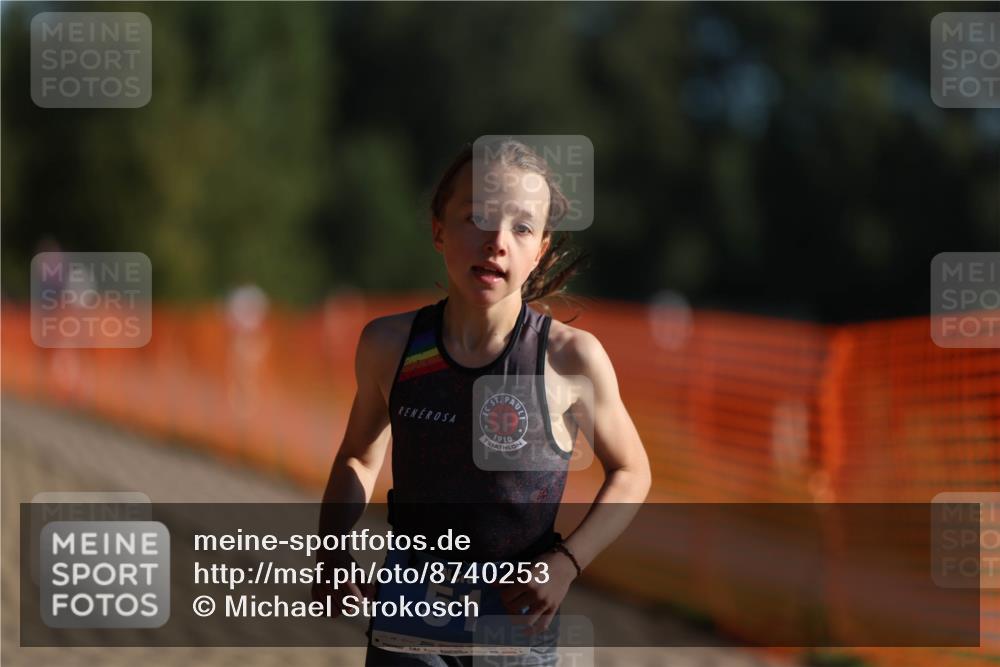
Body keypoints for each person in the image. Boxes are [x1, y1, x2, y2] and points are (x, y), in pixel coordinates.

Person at [313, 139, 651, 666]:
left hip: (517, 617)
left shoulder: (569, 359)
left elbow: (632, 471)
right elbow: (358, 456)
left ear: (539, 250)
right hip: (409, 605)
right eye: (477, 217)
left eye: (521, 228)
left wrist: (565, 564)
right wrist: (331, 549)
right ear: (438, 230)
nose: (497, 241)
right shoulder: (390, 346)